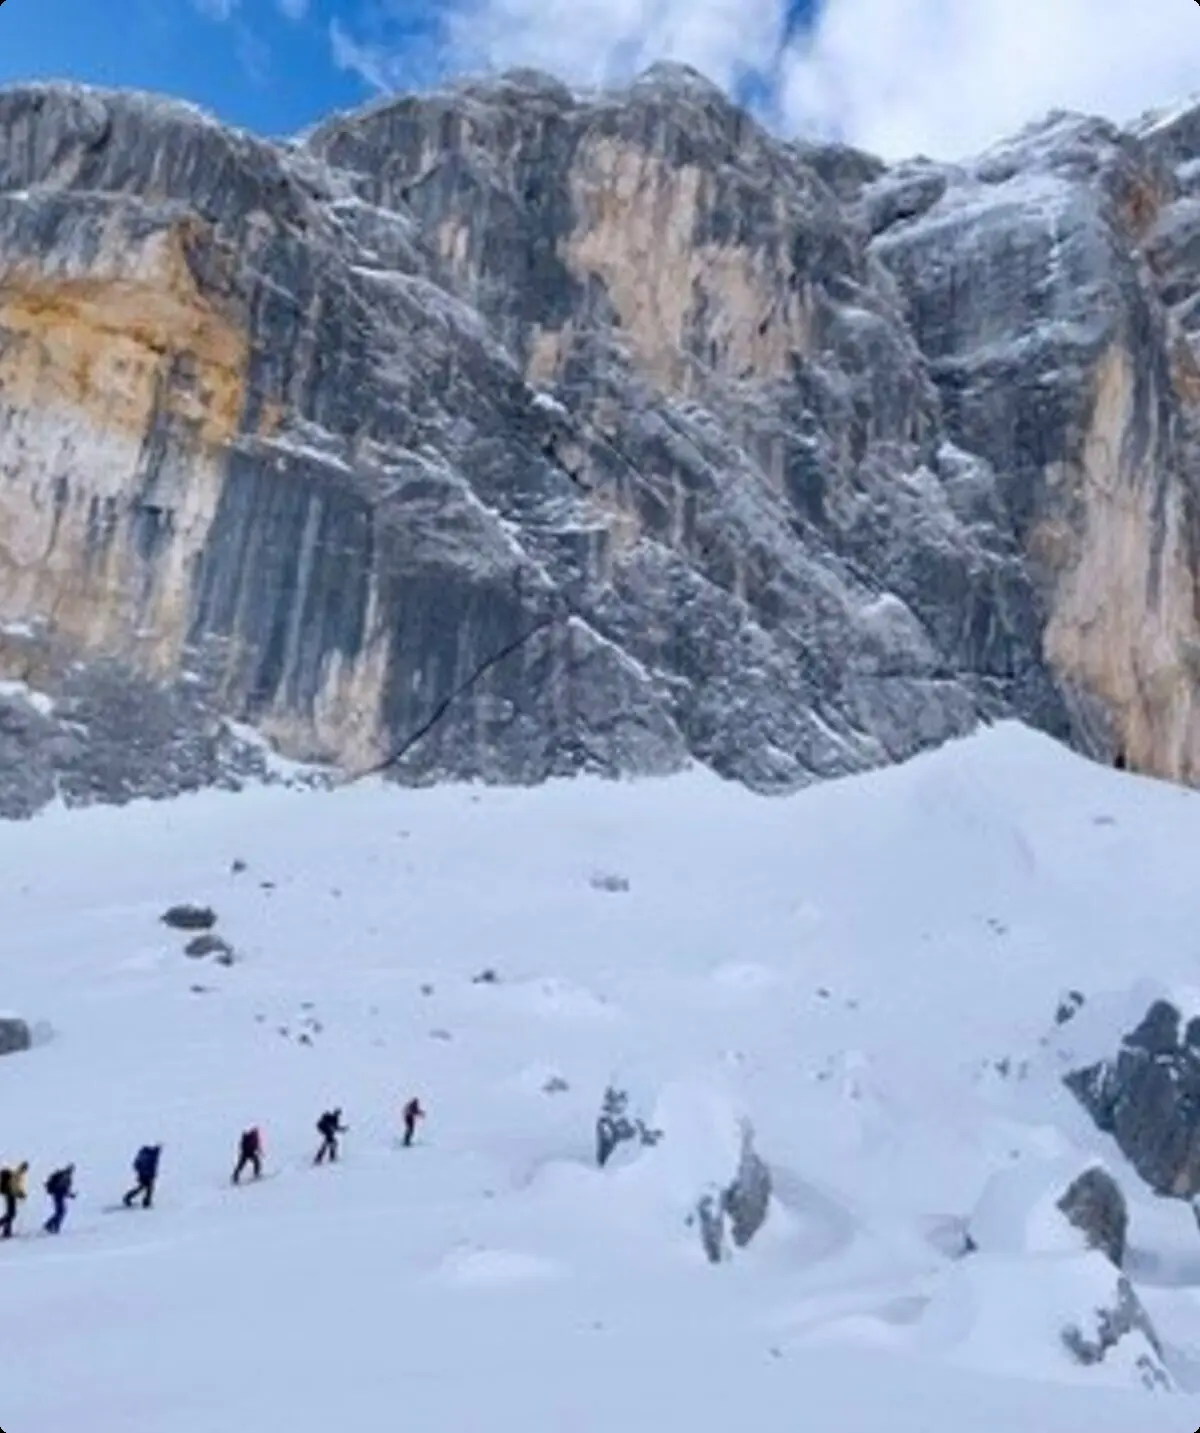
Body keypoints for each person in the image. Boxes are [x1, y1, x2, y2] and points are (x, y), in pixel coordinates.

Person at [123, 1144, 162, 1209]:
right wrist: (149, 1174)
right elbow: (151, 1167)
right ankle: (145, 1202)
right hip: (145, 1175)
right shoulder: (152, 1157)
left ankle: (129, 1197)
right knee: (147, 1188)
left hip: (145, 1175)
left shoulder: (149, 1155)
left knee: (145, 1188)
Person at [44, 1165, 75, 1235]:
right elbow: (63, 1188)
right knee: (61, 1212)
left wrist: (70, 1195)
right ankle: (51, 1226)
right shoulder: (65, 1177)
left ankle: (51, 1226)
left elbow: (65, 1189)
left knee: (60, 1212)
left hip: (57, 1195)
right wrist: (69, 1195)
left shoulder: (64, 1176)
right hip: (58, 1195)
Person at [0, 1161, 28, 1239]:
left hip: (10, 1194)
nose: (26, 1170)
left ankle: (7, 1232)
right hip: (10, 1194)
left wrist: (20, 1193)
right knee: (11, 1214)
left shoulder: (18, 1173)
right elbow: (14, 1186)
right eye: (25, 1168)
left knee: (10, 1213)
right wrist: (20, 1194)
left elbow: (16, 1186)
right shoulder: (18, 1174)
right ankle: (6, 1232)